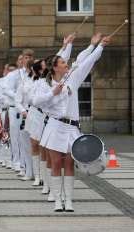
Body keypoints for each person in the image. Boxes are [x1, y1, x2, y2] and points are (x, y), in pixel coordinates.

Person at [36, 33, 108, 212]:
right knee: (56, 164)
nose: (66, 64)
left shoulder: (72, 79)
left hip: (72, 128)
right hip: (55, 126)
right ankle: (57, 200)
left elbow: (86, 62)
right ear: (54, 68)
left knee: (69, 163)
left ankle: (68, 200)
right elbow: (39, 102)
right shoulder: (45, 85)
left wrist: (99, 46)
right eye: (62, 63)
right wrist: (54, 93)